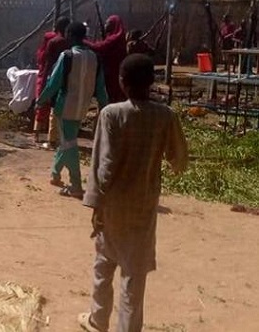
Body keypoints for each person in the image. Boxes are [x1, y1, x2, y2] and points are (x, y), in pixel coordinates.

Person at [78, 54, 188, 332]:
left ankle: (97, 320)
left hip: (113, 205)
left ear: (122, 82)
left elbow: (105, 166)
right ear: (151, 82)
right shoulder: (165, 116)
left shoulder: (112, 114)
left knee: (104, 265)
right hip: (144, 206)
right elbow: (180, 161)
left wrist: (95, 204)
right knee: (133, 276)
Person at [36, 22, 108, 198]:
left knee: (69, 144)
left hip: (64, 107)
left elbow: (54, 83)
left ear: (69, 36)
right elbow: (100, 86)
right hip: (82, 107)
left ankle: (75, 184)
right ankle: (55, 173)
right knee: (68, 140)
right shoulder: (94, 57)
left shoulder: (67, 56)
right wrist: (104, 105)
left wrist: (41, 100)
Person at [34, 17, 71, 146]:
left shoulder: (52, 41)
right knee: (58, 109)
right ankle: (54, 138)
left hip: (51, 75)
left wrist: (44, 79)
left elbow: (46, 61)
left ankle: (37, 134)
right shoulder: (70, 43)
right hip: (66, 78)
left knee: (43, 104)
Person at [86, 15, 128, 103]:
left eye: (107, 23)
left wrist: (84, 41)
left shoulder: (114, 39)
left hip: (112, 71)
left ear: (112, 25)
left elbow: (99, 47)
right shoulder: (117, 38)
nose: (105, 25)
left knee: (111, 93)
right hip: (113, 70)